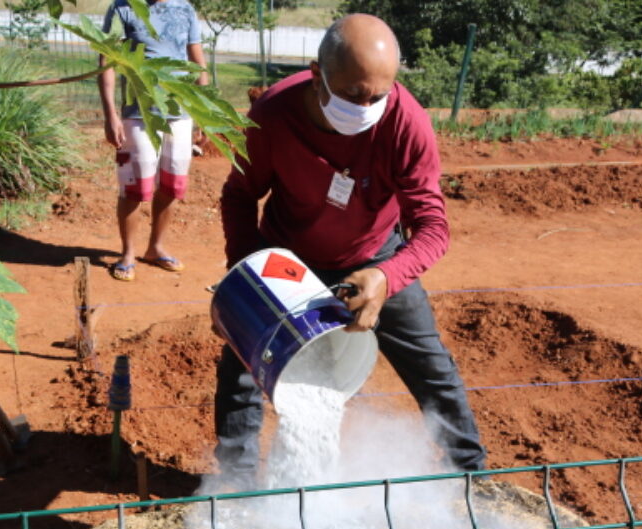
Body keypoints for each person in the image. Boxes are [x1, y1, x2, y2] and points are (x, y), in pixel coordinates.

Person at [215, 14, 487, 485]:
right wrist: (249, 273)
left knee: (432, 369)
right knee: (243, 365)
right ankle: (234, 486)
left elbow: (432, 226)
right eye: (353, 95)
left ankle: (474, 480)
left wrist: (386, 277)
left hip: (376, 258)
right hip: (287, 261)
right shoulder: (273, 117)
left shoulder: (406, 122)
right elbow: (239, 195)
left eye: (378, 96)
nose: (366, 107)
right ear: (316, 74)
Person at [99, 0, 208, 282]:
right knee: (136, 187)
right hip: (138, 113)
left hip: (180, 112)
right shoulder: (122, 8)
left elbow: (198, 62)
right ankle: (127, 253)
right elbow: (106, 62)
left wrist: (204, 113)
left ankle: (155, 248)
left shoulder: (185, 8)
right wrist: (111, 114)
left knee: (173, 184)